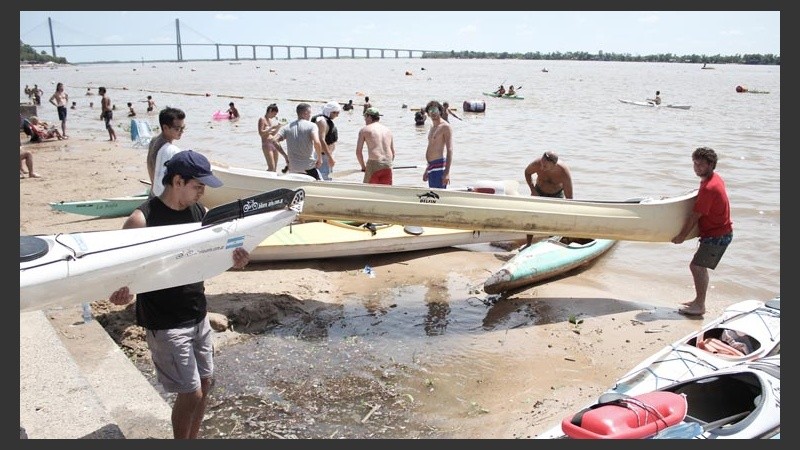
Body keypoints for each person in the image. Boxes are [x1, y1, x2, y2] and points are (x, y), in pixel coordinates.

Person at [108, 150, 250, 439]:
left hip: (197, 313)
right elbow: (116, 272)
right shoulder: (142, 220)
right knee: (191, 393)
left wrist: (235, 260)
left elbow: (212, 254)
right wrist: (120, 294)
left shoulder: (199, 214)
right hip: (165, 320)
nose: (202, 192)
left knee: (206, 383)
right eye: (198, 186)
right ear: (177, 181)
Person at [671, 147, 733, 317]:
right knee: (699, 267)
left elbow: (694, 216)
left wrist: (681, 236)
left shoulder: (709, 187)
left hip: (718, 235)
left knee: (697, 267)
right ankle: (698, 300)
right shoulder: (713, 178)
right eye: (695, 164)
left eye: (701, 165)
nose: (696, 167)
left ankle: (699, 305)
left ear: (711, 164)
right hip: (717, 233)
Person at [523, 151, 573, 248]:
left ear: (554, 165)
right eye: (542, 163)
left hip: (556, 195)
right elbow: (527, 172)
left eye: (545, 166)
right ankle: (528, 244)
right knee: (532, 217)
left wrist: (567, 210)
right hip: (539, 192)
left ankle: (553, 243)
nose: (541, 167)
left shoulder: (563, 172)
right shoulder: (537, 164)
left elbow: (570, 197)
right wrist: (532, 190)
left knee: (553, 220)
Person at [271, 103, 323, 179]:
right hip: (308, 168)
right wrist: (319, 158)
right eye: (309, 113)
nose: (310, 115)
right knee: (319, 186)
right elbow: (317, 142)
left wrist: (285, 156)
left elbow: (274, 140)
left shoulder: (287, 127)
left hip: (293, 168)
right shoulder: (312, 126)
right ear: (305, 113)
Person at [147, 106, 186, 196]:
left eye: (183, 128)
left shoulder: (154, 140)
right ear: (165, 128)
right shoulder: (168, 150)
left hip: (154, 192)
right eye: (178, 129)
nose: (181, 131)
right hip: (162, 196)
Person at [356, 107, 395, 185]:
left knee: (368, 192)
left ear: (369, 117)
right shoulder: (388, 130)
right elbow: (393, 153)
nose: (364, 120)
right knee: (385, 192)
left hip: (374, 164)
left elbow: (358, 152)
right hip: (388, 164)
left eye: (365, 117)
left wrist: (363, 167)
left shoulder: (364, 130)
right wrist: (387, 164)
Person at [422, 100, 453, 189]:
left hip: (439, 166)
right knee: (432, 196)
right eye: (431, 111)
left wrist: (447, 173)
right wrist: (427, 169)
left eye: (435, 110)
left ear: (440, 111)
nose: (433, 113)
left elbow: (449, 150)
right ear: (427, 114)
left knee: (437, 196)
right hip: (431, 166)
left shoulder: (445, 127)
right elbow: (431, 147)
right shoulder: (432, 127)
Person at [311, 101, 341, 180]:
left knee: (327, 178)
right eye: (336, 113)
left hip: (325, 155)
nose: (337, 115)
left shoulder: (325, 120)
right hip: (323, 156)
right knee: (324, 180)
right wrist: (330, 157)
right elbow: (321, 139)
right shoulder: (322, 121)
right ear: (330, 111)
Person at [257, 103, 289, 172]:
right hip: (266, 145)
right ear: (270, 110)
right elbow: (261, 133)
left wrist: (279, 126)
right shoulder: (262, 119)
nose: (275, 116)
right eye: (274, 114)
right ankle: (262, 180)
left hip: (274, 144)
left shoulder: (270, 120)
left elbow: (273, 134)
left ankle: (271, 181)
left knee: (274, 169)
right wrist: (272, 127)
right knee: (271, 167)